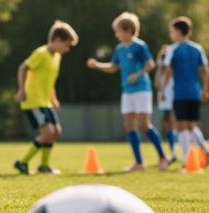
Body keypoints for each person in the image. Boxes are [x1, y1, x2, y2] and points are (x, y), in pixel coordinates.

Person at [87, 13, 169, 171]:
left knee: (144, 125)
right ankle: (139, 163)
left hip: (142, 90)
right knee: (130, 126)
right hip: (127, 91)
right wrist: (97, 64)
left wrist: (137, 75)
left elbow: (151, 64)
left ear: (129, 30)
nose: (116, 35)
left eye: (118, 31)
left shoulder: (140, 46)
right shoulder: (119, 49)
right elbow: (112, 67)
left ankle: (163, 157)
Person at [13, 21, 78, 175]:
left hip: (45, 101)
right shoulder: (41, 53)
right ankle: (22, 162)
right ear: (56, 40)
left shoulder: (57, 57)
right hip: (33, 100)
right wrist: (22, 90)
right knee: (48, 133)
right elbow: (23, 68)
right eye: (66, 45)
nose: (67, 50)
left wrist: (53, 98)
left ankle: (44, 166)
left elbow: (50, 80)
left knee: (56, 131)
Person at [160, 16, 209, 168]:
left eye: (172, 31)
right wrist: (205, 89)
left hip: (180, 92)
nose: (171, 34)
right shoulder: (197, 48)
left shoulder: (173, 49)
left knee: (180, 126)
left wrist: (162, 90)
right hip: (194, 92)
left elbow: (167, 72)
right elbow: (206, 70)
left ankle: (187, 161)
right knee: (190, 124)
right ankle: (206, 151)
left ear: (179, 31)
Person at [155, 45, 179, 161]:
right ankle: (173, 150)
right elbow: (156, 84)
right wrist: (160, 65)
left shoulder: (172, 70)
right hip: (163, 102)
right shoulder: (160, 72)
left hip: (171, 100)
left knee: (173, 124)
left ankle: (175, 151)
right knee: (167, 125)